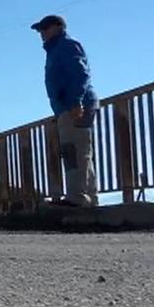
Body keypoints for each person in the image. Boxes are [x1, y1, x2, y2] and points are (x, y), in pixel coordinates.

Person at [32, 14, 98, 207]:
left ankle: (77, 197)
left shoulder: (67, 45)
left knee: (75, 151)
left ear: (57, 27)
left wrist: (76, 102)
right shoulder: (55, 50)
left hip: (74, 105)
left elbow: (81, 74)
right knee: (78, 151)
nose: (41, 34)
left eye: (44, 29)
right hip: (67, 107)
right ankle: (87, 197)